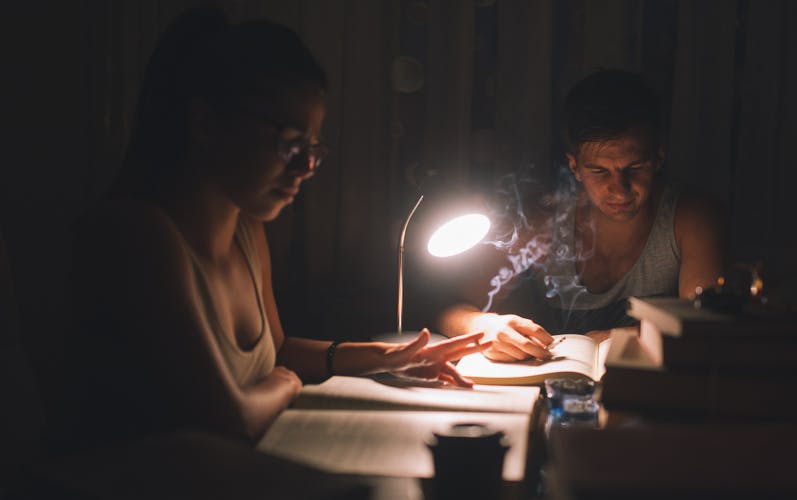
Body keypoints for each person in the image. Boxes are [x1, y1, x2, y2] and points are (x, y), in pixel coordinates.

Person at [66, 7, 489, 447]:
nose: (306, 167)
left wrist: (391, 357)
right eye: (289, 144)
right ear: (205, 124)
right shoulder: (137, 233)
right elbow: (233, 417)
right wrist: (286, 384)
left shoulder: (245, 227)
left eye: (312, 148)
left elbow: (278, 351)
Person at [437, 70, 725, 361]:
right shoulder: (541, 218)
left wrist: (615, 338)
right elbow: (450, 307)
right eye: (599, 171)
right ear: (574, 166)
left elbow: (707, 331)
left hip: (649, 392)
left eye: (635, 167)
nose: (619, 189)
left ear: (658, 158)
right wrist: (483, 326)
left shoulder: (691, 218)